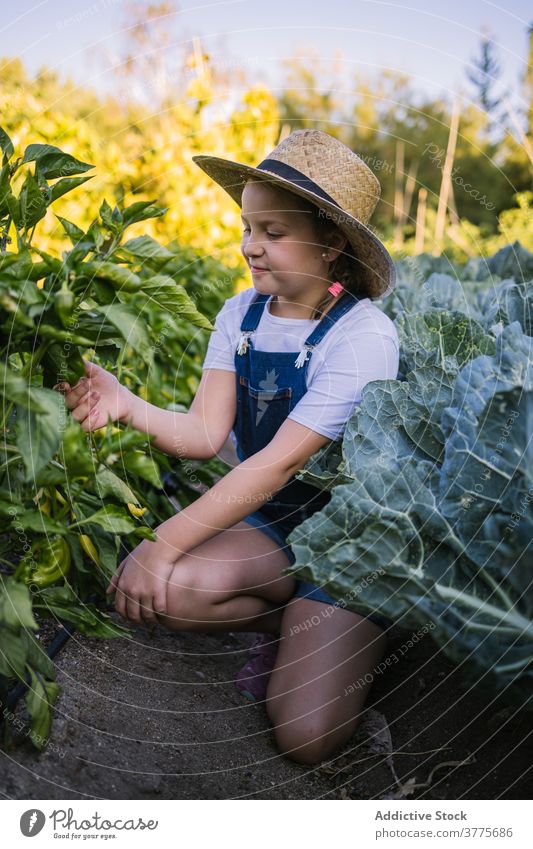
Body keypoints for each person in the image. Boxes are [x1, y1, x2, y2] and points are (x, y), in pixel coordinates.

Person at [55, 129, 400, 765]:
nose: (249, 247)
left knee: (307, 739)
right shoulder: (241, 314)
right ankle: (291, 623)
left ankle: (347, 632)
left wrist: (163, 541)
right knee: (168, 593)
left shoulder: (362, 336)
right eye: (247, 227)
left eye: (273, 232)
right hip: (275, 525)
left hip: (356, 543)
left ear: (330, 244)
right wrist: (127, 404)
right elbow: (205, 434)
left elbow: (278, 462)